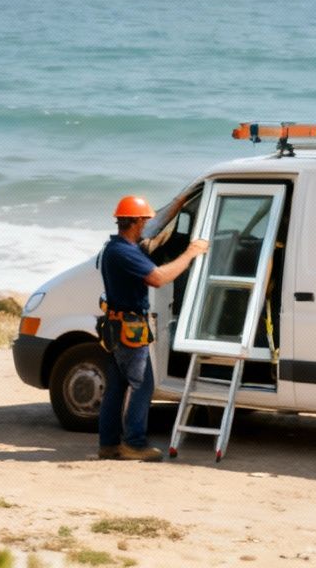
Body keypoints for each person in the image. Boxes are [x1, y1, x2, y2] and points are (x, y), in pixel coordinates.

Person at [97, 195, 208, 460]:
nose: (149, 223)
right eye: (145, 219)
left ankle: (109, 444)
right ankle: (134, 443)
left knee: (117, 386)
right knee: (142, 385)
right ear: (135, 222)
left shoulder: (119, 248)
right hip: (129, 330)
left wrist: (180, 202)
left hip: (117, 327)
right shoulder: (124, 253)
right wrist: (191, 253)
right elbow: (158, 278)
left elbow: (157, 227)